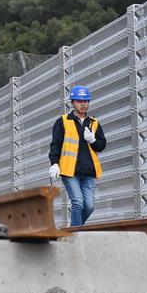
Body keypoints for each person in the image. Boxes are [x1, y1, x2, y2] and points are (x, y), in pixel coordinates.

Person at [49, 85, 107, 226]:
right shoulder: (63, 121)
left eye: (85, 101)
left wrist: (93, 141)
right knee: (78, 202)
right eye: (79, 101)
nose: (83, 104)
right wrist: (54, 163)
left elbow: (102, 145)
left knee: (89, 206)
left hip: (88, 171)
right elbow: (56, 144)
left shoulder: (94, 123)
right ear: (73, 102)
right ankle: (76, 233)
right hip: (70, 171)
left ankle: (74, 227)